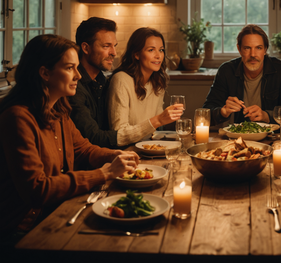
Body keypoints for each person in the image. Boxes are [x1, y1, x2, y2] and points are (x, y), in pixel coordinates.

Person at [0, 35, 139, 239]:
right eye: (69, 68)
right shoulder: (18, 118)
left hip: (55, 211)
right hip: (22, 229)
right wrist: (103, 174)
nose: (78, 76)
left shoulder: (58, 110)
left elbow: (83, 149)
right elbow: (37, 190)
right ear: (45, 73)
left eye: (76, 68)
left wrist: (114, 155)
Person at [203, 24, 281, 126]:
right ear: (239, 49)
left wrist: (267, 116)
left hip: (272, 138)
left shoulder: (280, 69)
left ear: (265, 50)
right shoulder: (227, 70)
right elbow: (205, 114)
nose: (253, 54)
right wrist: (222, 112)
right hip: (239, 138)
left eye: (258, 48)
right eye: (247, 48)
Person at [108, 27, 183, 144]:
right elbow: (119, 134)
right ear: (137, 54)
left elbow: (155, 130)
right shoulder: (121, 80)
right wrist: (158, 120)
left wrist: (167, 120)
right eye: (151, 50)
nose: (158, 56)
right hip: (126, 151)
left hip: (148, 147)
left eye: (161, 50)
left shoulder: (157, 82)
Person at [69, 17, 120, 148]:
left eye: (114, 46)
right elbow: (92, 137)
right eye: (106, 46)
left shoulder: (104, 82)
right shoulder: (74, 87)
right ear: (86, 48)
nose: (114, 53)